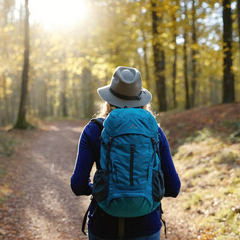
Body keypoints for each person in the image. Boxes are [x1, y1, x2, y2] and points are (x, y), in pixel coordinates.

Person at [71, 66, 181, 240]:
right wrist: (144, 190)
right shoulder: (154, 131)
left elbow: (77, 185)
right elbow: (174, 187)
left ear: (109, 99)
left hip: (103, 224)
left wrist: (104, 190)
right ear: (142, 100)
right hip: (146, 225)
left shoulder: (93, 129)